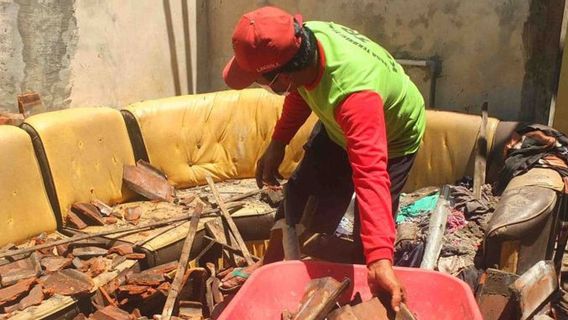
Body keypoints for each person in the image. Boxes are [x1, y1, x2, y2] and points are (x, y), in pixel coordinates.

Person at [220, 6, 425, 312]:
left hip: (394, 135)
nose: (258, 86)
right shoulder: (303, 44)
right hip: (337, 125)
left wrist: (380, 258)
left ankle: (360, 301)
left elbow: (371, 176)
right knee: (299, 194)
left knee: (367, 243)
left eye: (259, 81)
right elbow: (302, 90)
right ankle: (270, 265)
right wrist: (278, 142)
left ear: (280, 77)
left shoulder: (353, 94)